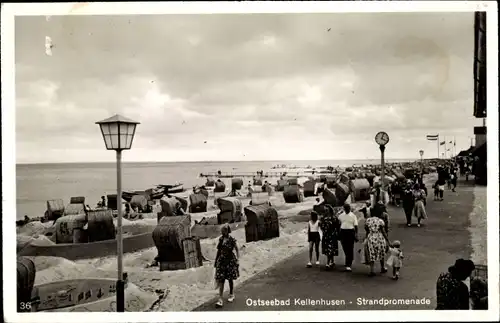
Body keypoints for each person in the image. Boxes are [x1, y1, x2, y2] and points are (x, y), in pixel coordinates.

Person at [214, 224, 239, 308]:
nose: (222, 232)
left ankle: (231, 294)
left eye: (224, 231)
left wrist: (238, 259)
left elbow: (237, 249)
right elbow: (218, 251)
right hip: (222, 261)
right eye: (222, 231)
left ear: (227, 231)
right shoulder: (221, 239)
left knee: (230, 279)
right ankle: (220, 299)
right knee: (221, 279)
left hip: (230, 260)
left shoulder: (232, 239)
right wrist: (216, 261)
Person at [364, 205, 390, 276]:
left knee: (371, 253)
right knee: (382, 252)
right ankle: (382, 267)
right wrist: (388, 240)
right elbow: (383, 231)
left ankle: (372, 270)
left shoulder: (368, 220)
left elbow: (366, 230)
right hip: (379, 238)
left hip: (371, 238)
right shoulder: (380, 221)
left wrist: (366, 238)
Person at [319, 205, 341, 269]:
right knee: (328, 249)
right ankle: (332, 261)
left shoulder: (333, 217)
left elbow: (338, 226)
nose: (325, 211)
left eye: (326, 210)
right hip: (326, 235)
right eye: (324, 210)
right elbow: (320, 226)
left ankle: (328, 263)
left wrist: (337, 234)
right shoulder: (323, 218)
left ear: (329, 210)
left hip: (332, 235)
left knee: (330, 248)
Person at [338, 203, 359, 272]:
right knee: (344, 247)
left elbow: (356, 226)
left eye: (348, 208)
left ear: (349, 208)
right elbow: (338, 223)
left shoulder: (353, 216)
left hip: (350, 232)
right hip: (343, 232)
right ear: (344, 209)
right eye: (345, 208)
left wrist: (356, 234)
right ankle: (349, 258)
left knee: (350, 247)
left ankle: (348, 264)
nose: (347, 209)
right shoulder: (341, 216)